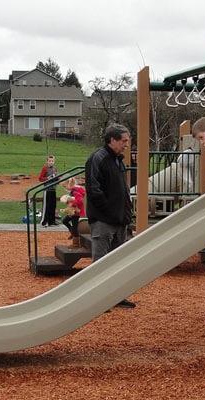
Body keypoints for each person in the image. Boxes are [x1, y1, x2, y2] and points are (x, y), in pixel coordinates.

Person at [85, 124, 136, 309]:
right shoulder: (98, 158)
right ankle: (98, 301)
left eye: (127, 140)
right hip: (103, 221)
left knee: (117, 263)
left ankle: (116, 297)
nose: (127, 144)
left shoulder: (117, 161)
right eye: (123, 140)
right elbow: (93, 190)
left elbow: (123, 191)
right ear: (112, 140)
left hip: (119, 220)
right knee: (100, 262)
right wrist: (109, 211)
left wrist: (126, 214)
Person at [60, 177, 86, 245]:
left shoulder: (75, 191)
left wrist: (72, 204)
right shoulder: (74, 190)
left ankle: (76, 241)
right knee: (65, 221)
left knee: (74, 225)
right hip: (73, 211)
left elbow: (80, 200)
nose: (65, 188)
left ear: (69, 184)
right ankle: (73, 233)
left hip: (76, 211)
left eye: (65, 186)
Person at [38, 155, 58, 226]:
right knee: (46, 206)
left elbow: (56, 178)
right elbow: (40, 178)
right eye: (49, 161)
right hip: (47, 189)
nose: (51, 162)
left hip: (53, 189)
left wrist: (57, 177)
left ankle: (52, 221)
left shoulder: (55, 168)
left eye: (52, 161)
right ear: (47, 161)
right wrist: (48, 178)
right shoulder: (45, 169)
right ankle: (44, 221)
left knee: (53, 206)